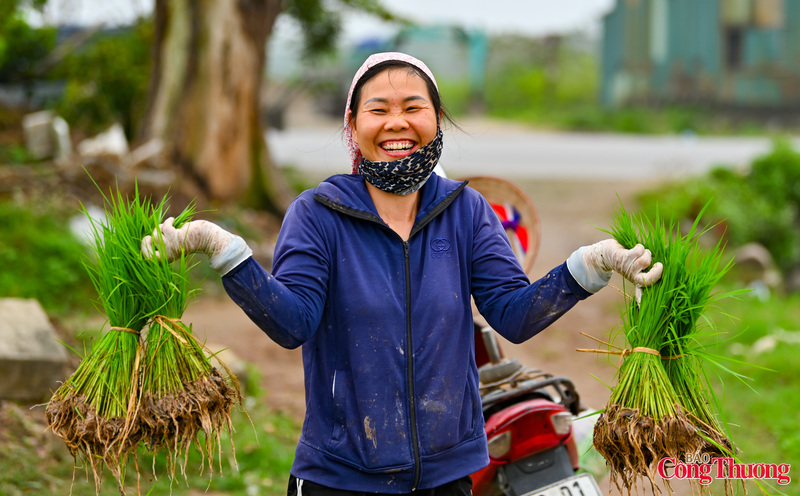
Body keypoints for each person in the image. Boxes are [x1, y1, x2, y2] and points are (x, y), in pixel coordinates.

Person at [141, 52, 663, 496]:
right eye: (379, 109)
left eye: (414, 108)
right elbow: (292, 323)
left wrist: (591, 263)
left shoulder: (467, 211)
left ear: (437, 119)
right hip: (340, 476)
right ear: (352, 124)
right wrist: (224, 250)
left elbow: (514, 315)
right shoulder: (317, 214)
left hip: (448, 476)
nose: (397, 123)